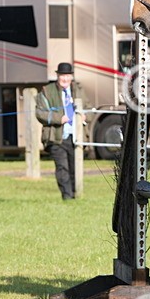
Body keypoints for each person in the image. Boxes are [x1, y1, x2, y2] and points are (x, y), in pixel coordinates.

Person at [35, 62, 84, 201]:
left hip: (74, 136)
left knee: (75, 167)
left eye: (68, 75)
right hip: (56, 137)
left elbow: (88, 107)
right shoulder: (46, 91)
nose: (65, 79)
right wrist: (58, 118)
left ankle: (75, 195)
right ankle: (67, 197)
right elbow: (40, 113)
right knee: (63, 168)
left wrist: (85, 115)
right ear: (58, 76)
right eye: (62, 75)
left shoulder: (78, 90)